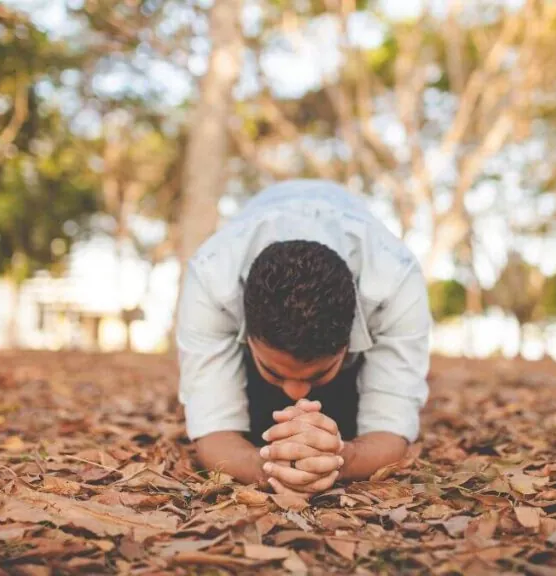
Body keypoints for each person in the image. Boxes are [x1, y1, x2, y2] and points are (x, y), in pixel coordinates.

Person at [176, 179, 431, 497]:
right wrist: (267, 466)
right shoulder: (212, 277)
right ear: (248, 335)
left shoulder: (396, 280)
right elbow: (213, 430)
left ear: (348, 341)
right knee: (260, 420)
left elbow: (391, 429)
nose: (296, 392)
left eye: (318, 373)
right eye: (274, 371)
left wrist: (340, 459)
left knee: (344, 418)